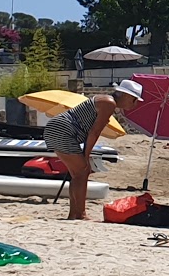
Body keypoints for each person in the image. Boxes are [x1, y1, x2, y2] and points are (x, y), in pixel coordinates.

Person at [41, 81, 144, 220]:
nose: (135, 104)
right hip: (63, 130)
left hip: (58, 129)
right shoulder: (109, 103)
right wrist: (86, 156)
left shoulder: (105, 101)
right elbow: (94, 132)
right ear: (126, 95)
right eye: (134, 99)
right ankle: (80, 214)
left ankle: (74, 213)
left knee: (78, 174)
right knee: (82, 171)